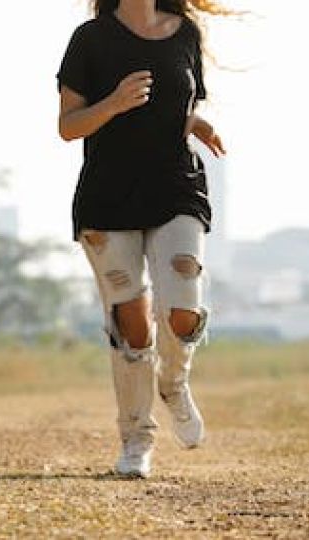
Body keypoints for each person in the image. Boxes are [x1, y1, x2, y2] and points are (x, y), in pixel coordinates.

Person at [56, 0, 229, 478]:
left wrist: (198, 123)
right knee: (132, 323)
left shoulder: (185, 34)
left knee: (183, 305)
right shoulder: (90, 39)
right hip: (108, 195)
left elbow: (182, 109)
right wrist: (112, 104)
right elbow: (68, 126)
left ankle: (173, 381)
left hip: (176, 185)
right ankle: (136, 441)